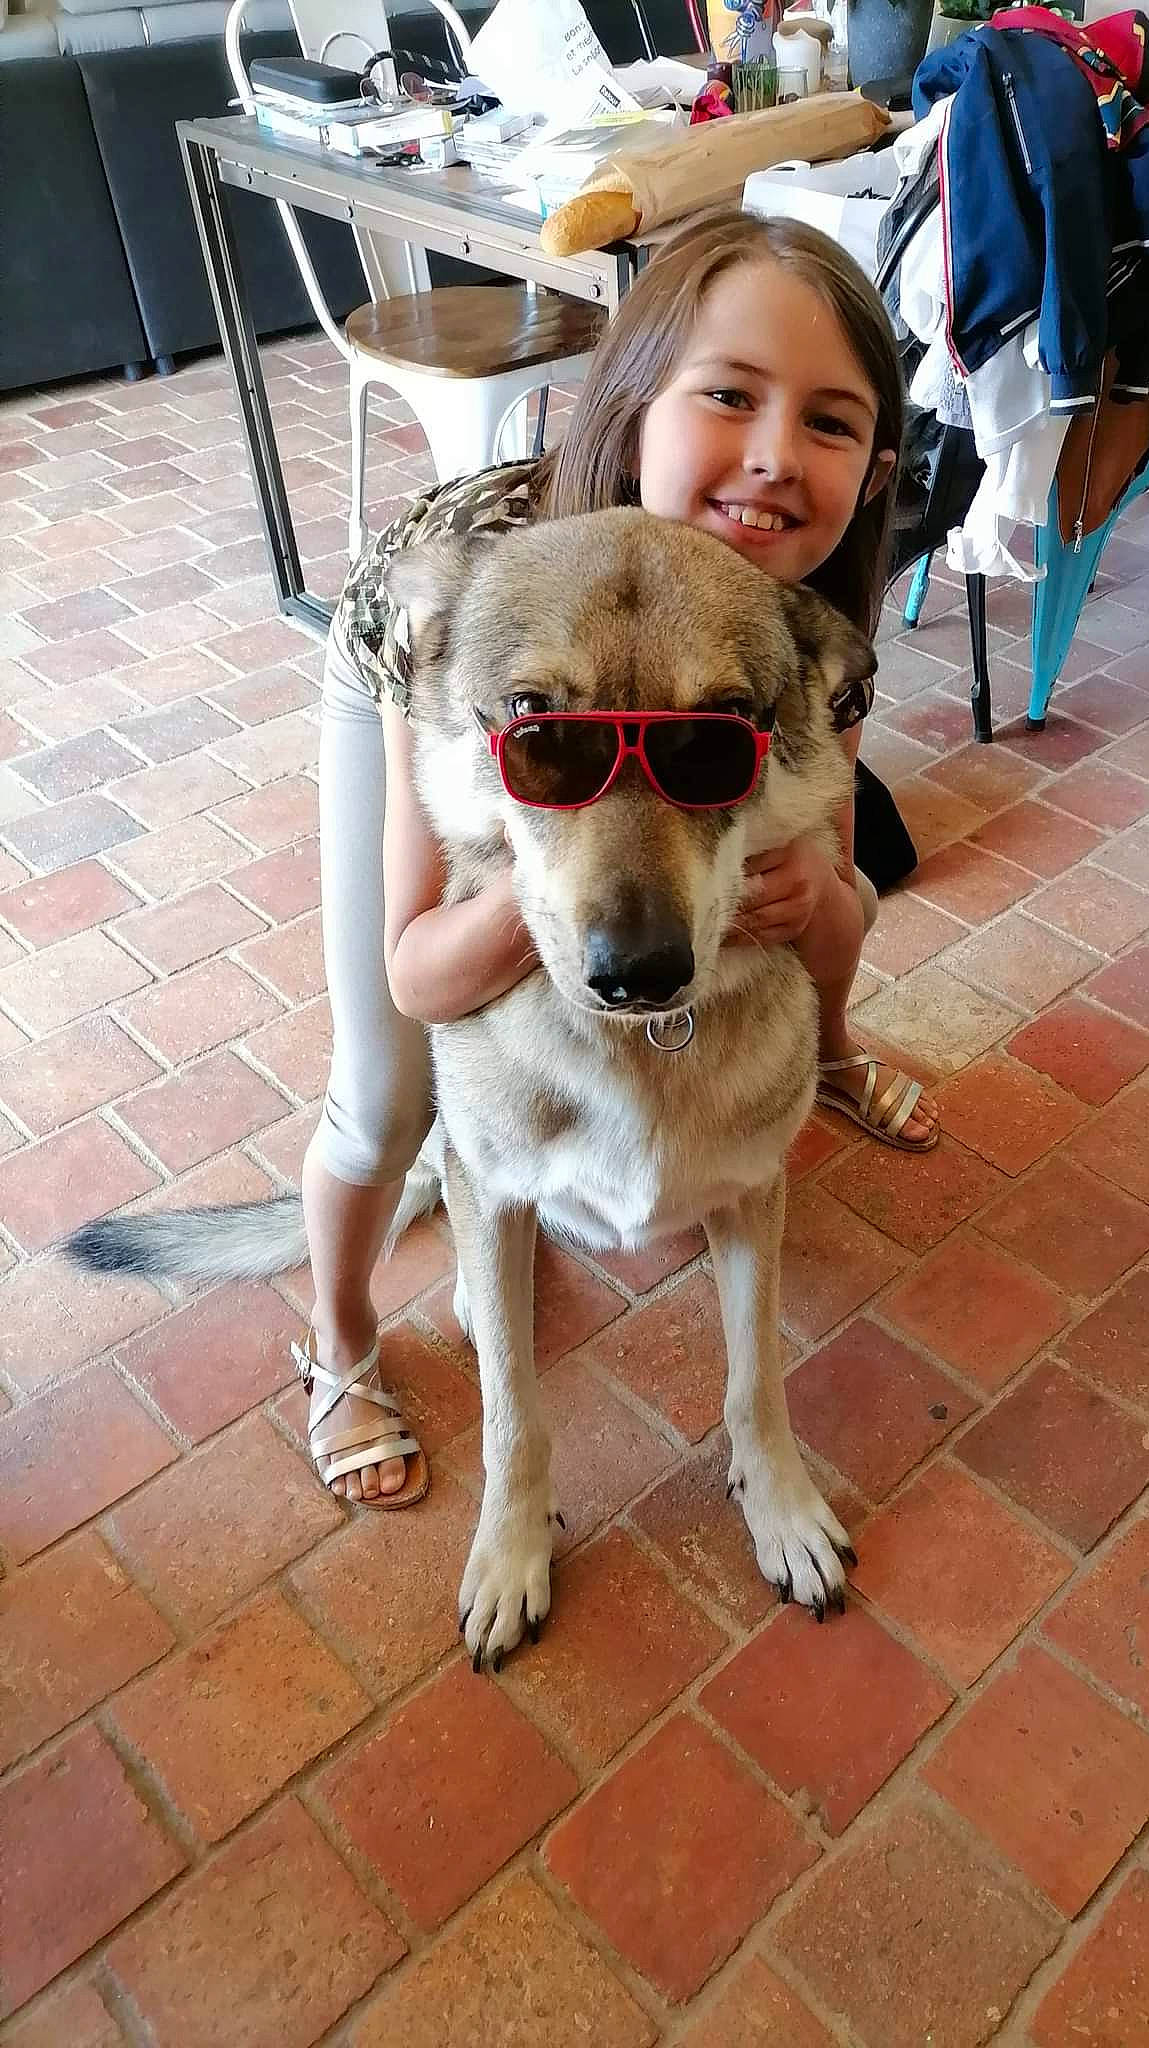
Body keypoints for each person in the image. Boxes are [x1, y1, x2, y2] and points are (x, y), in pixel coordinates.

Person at [299, 208, 940, 1510]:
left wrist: (814, 898)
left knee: (823, 908)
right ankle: (342, 1337)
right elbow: (422, 973)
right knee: (382, 1098)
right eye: (729, 396)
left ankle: (825, 1069)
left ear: (876, 467)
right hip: (429, 680)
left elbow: (836, 904)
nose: (772, 458)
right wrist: (542, 908)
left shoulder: (800, 627)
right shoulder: (467, 590)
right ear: (636, 401)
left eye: (828, 422)